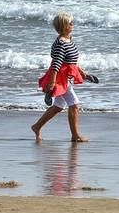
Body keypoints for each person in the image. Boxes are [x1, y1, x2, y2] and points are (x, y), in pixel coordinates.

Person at [31, 12, 90, 142]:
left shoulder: (69, 40)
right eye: (70, 23)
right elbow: (56, 65)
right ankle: (75, 136)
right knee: (74, 105)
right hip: (59, 78)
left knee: (58, 106)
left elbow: (72, 61)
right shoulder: (60, 44)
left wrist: (84, 74)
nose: (72, 24)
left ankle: (37, 126)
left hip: (65, 77)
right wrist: (52, 83)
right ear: (64, 27)